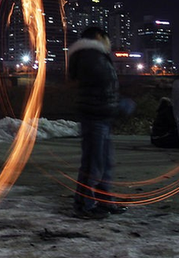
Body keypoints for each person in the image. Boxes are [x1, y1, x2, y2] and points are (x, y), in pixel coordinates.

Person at [68, 27, 128, 219]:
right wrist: (119, 105)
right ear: (99, 37)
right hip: (95, 116)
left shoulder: (93, 56)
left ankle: (103, 200)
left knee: (104, 163)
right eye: (108, 39)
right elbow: (103, 88)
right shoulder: (92, 56)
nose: (110, 44)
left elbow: (103, 88)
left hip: (101, 116)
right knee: (93, 164)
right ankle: (84, 205)